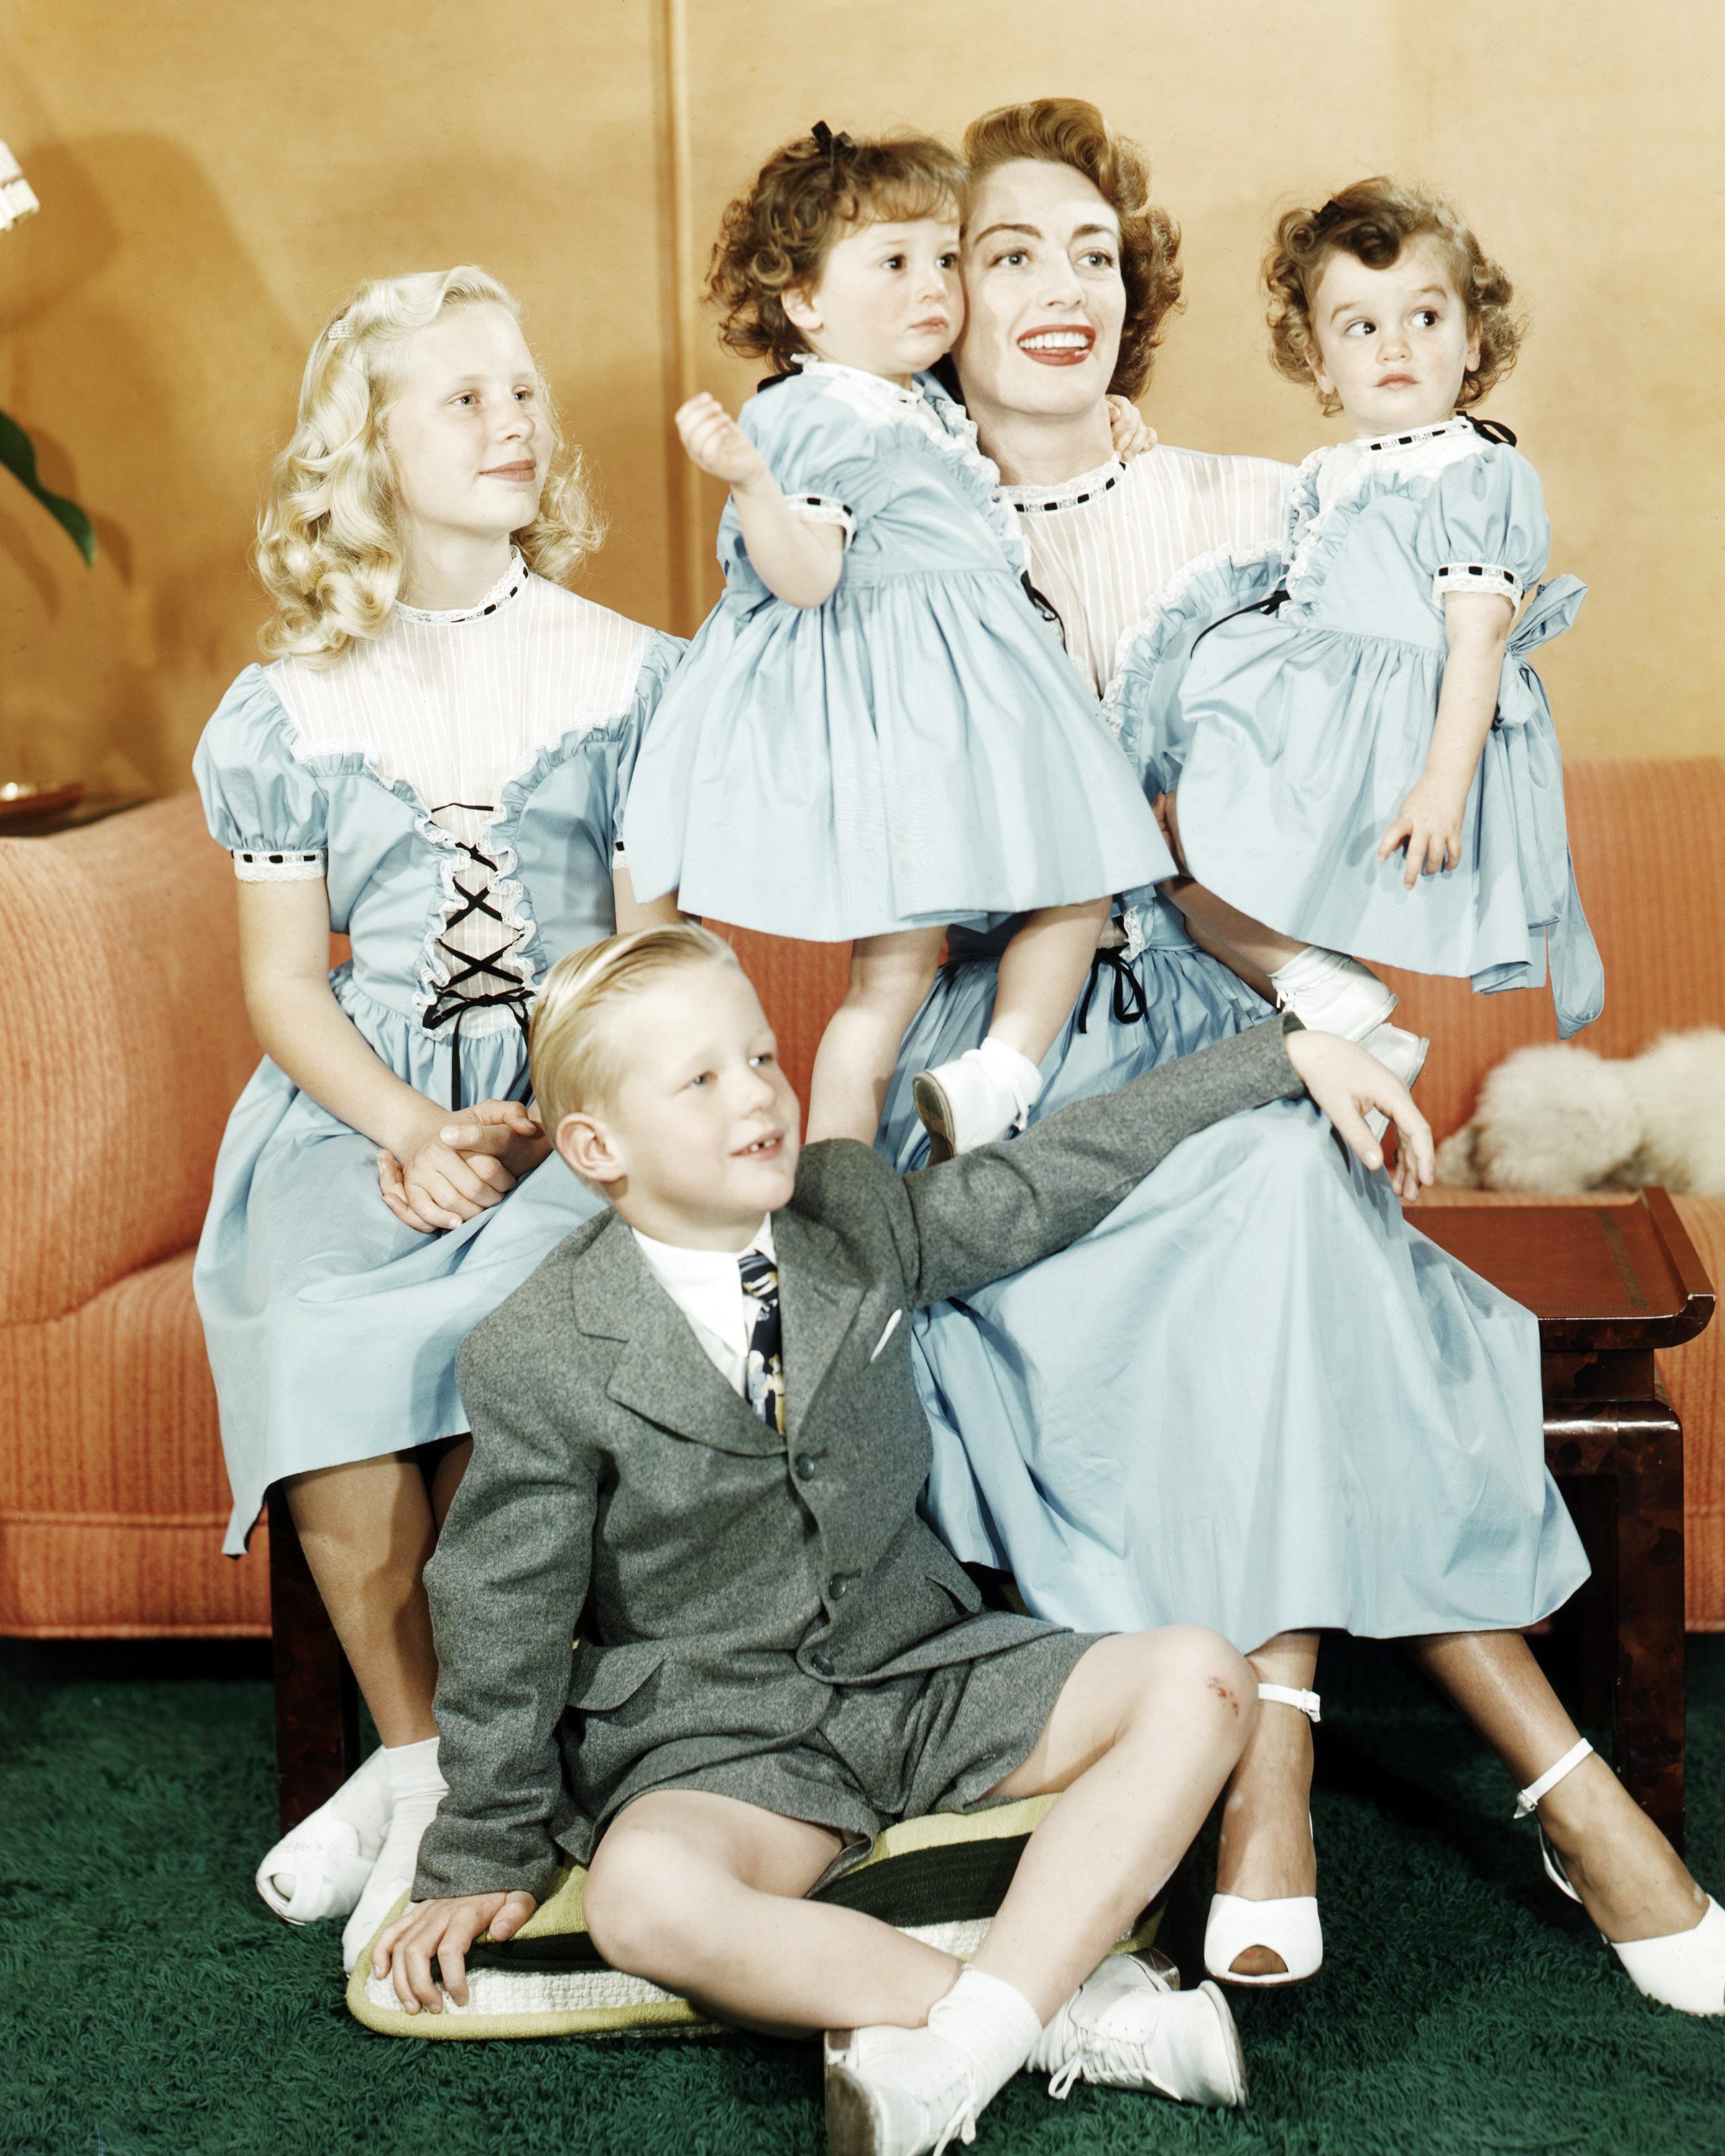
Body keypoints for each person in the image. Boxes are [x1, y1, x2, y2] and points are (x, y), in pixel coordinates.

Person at [878, 99, 1721, 2013]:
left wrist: (1323, 1012)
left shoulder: (1266, 507)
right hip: (997, 1067)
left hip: (1225, 1003)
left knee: (1281, 1190)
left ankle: (1283, 1774)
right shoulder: (885, 535)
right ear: (940, 296)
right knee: (1275, 1235)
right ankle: (1565, 1795)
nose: (1062, 285)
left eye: (1095, 250)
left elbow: (1334, 787)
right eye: (1010, 251)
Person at [374, 924, 1432, 2154]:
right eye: (701, 1080)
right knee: (642, 1903)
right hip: (715, 1734)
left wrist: (1287, 1055)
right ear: (598, 1148)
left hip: (926, 1675)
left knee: (1204, 1675)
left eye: (761, 1055)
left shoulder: (852, 1215)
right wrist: (478, 1850)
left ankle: (967, 2046)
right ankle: (1066, 2015)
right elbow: (499, 1610)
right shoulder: (540, 1346)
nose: (760, 1093)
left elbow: (1059, 1172)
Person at [191, 267, 681, 1970]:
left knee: (505, 1322)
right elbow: (283, 985)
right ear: (369, 444)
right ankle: (413, 1766)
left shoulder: (632, 673)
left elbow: (648, 960)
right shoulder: (290, 702)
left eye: (519, 390)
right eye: (457, 396)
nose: (507, 421)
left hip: (575, 1102)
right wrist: (405, 1126)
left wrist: (554, 1114)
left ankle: (473, 1774)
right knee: (325, 1322)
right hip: (359, 1099)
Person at [620, 124, 1173, 1153]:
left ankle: (978, 1086)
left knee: (1018, 911)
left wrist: (1118, 419)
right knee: (921, 961)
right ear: (806, 303)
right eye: (895, 263)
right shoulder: (817, 413)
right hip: (918, 723)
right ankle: (850, 1174)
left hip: (969, 709)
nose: (935, 286)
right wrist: (750, 482)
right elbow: (807, 576)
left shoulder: (914, 400)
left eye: (947, 259)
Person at [1133, 177, 1603, 1060]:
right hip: (1310, 721)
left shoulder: (1474, 471)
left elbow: (1479, 641)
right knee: (1164, 860)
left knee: (1187, 862)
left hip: (1383, 740)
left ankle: (1324, 992)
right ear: (1319, 361)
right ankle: (1325, 1002)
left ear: (1473, 343)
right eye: (1362, 326)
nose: (1396, 345)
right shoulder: (1335, 468)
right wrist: (1123, 424)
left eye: (1425, 319)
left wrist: (1441, 784)